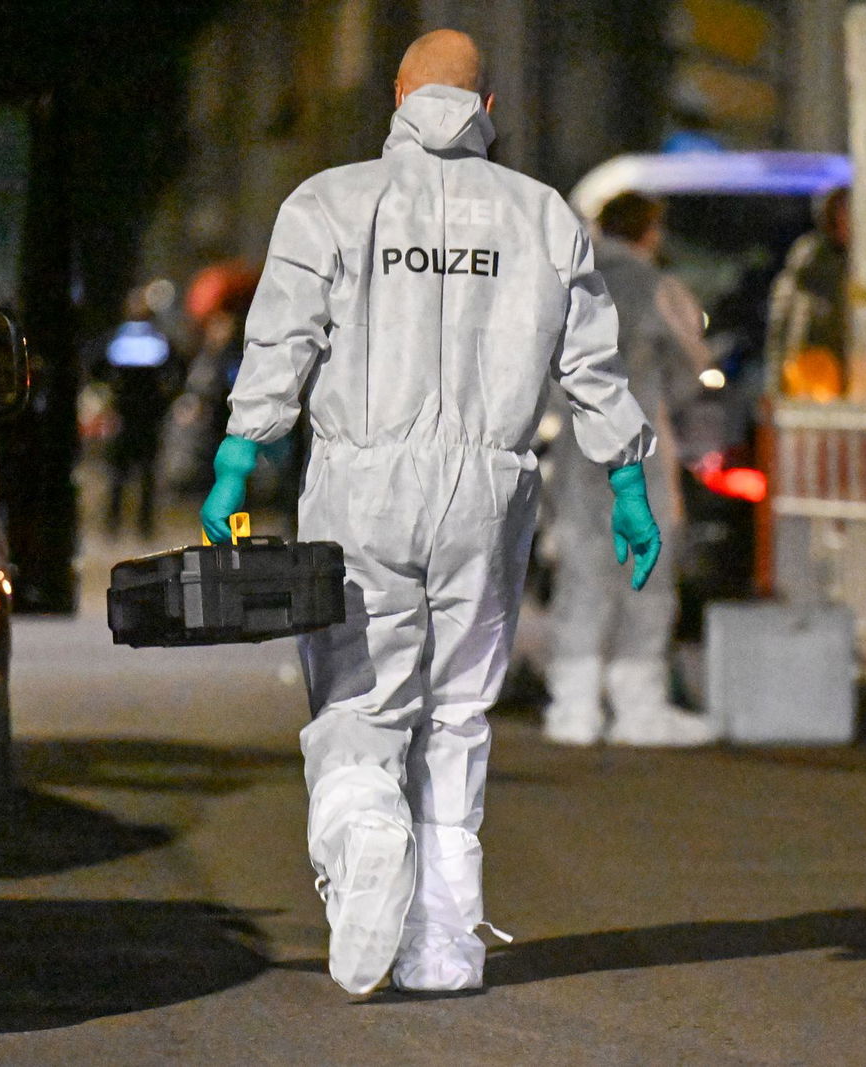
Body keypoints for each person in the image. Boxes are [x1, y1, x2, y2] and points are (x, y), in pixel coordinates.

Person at [199, 29, 660, 996]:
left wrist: (238, 464)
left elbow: (279, 344)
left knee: (362, 696)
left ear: (397, 104)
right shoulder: (541, 216)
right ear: (488, 111)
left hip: (360, 486)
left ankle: (366, 830)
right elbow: (591, 366)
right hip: (490, 492)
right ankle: (444, 944)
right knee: (457, 711)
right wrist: (626, 482)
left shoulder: (329, 202)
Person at [542, 192, 717, 747]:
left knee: (581, 578)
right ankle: (638, 707)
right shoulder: (658, 288)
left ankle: (573, 708)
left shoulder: (568, 288)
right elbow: (695, 371)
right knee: (646, 577)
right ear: (651, 233)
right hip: (639, 454)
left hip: (578, 456)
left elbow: (541, 381)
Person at [98, 288, 180, 538]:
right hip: (141, 417)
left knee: (128, 475)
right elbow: (176, 370)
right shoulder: (157, 339)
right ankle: (137, 526)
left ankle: (122, 525)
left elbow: (100, 368)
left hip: (131, 416)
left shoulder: (119, 338)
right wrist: (164, 400)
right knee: (138, 475)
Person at [763, 186, 850, 396]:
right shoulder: (808, 267)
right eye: (841, 211)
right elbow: (782, 335)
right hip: (813, 386)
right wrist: (775, 390)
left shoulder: (865, 267)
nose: (847, 219)